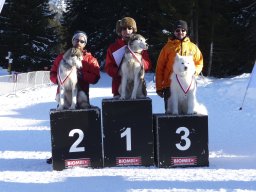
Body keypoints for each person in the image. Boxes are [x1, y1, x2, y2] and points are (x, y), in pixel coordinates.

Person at [47, 30, 100, 164]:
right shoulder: (62, 56)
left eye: (82, 41)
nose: (79, 43)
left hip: (81, 96)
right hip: (63, 95)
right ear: (72, 41)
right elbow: (53, 74)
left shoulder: (90, 58)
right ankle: (58, 153)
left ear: (85, 43)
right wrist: (57, 79)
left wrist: (82, 75)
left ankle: (85, 153)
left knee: (81, 124)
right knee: (62, 124)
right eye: (76, 40)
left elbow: (95, 77)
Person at [155, 19, 203, 111]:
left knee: (188, 113)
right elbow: (160, 68)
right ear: (174, 31)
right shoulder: (167, 48)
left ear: (186, 31)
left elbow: (199, 62)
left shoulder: (193, 47)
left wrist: (194, 72)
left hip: (188, 85)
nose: (180, 32)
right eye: (177, 30)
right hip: (170, 85)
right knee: (171, 114)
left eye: (183, 30)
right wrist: (159, 87)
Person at [105, 17, 152, 98]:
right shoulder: (113, 48)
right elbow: (108, 67)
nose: (127, 31)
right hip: (119, 89)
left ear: (133, 30)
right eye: (124, 29)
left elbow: (148, 64)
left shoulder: (140, 46)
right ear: (120, 31)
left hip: (138, 90)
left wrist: (140, 64)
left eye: (130, 28)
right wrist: (120, 70)